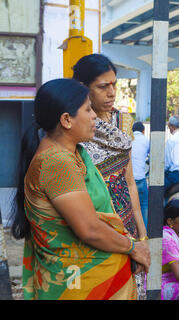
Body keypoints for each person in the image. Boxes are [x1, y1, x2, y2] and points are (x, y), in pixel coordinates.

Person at [10, 79, 150, 300]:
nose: (94, 115)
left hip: (97, 282)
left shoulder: (73, 154)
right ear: (66, 120)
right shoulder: (57, 162)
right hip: (77, 287)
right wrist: (133, 247)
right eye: (87, 109)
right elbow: (90, 229)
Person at [72, 54, 147, 241]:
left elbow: (129, 182)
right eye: (103, 86)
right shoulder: (74, 126)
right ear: (83, 88)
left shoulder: (123, 121)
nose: (112, 92)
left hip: (127, 220)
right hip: (95, 224)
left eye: (114, 84)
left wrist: (142, 233)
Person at [131, 121, 150, 230]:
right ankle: (144, 233)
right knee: (143, 205)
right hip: (140, 179)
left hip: (129, 180)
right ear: (143, 131)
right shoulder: (146, 140)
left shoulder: (128, 139)